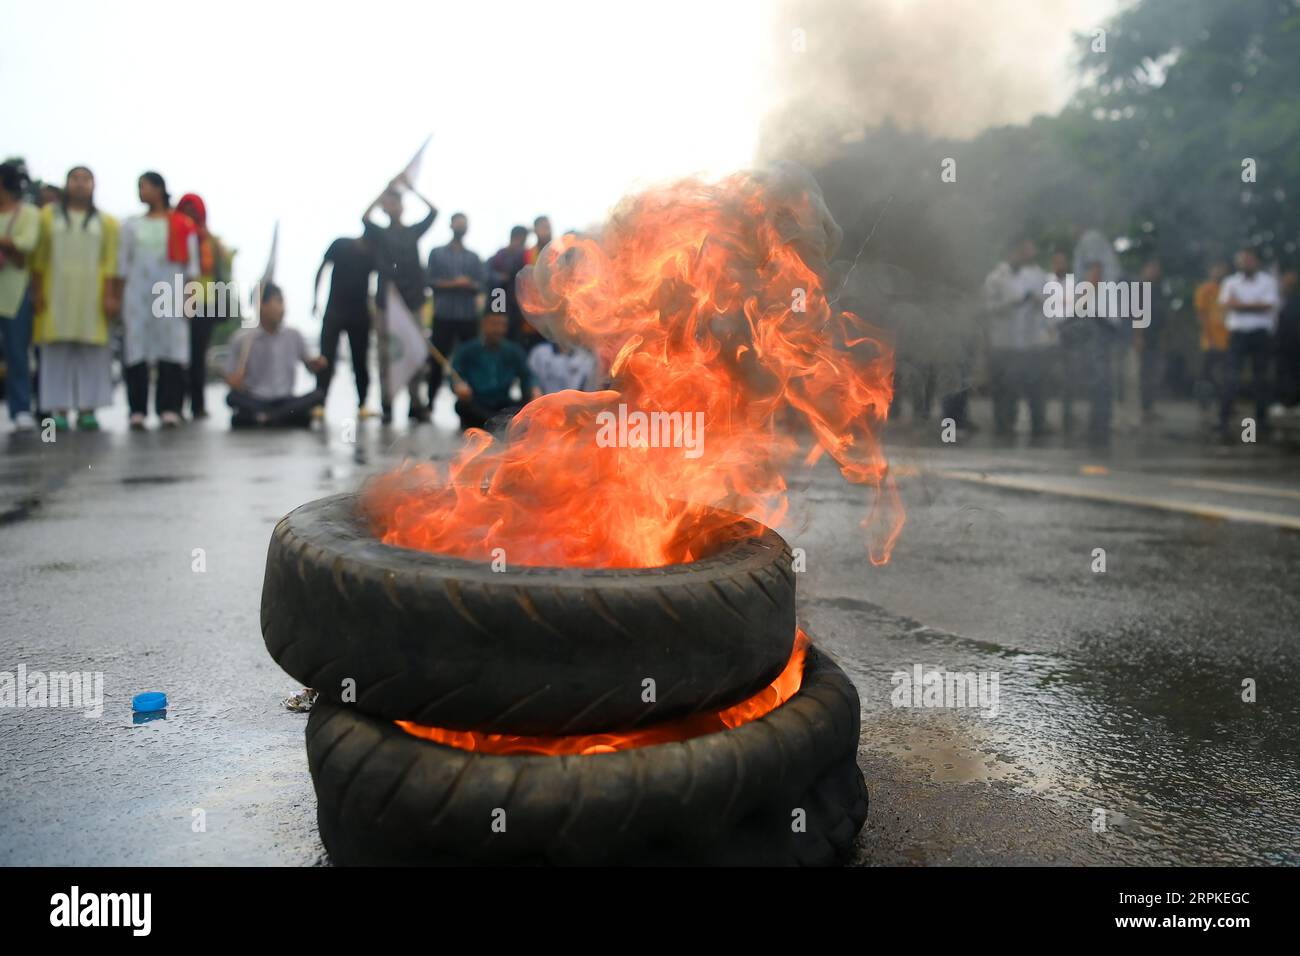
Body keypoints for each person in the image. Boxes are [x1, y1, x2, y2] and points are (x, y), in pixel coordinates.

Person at [29, 167, 120, 431]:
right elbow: (39, 257)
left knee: (92, 354)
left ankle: (88, 410)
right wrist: (36, 291)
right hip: (55, 292)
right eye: (75, 179)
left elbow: (111, 261)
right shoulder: (47, 217)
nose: (80, 185)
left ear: (94, 185)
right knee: (56, 353)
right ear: (66, 184)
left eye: (86, 180)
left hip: (93, 295)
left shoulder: (107, 222)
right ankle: (58, 410)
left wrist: (111, 295)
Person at [117, 172, 199, 429]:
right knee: (136, 350)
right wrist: (117, 297)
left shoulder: (182, 224)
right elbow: (122, 263)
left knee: (171, 350)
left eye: (144, 186)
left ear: (159, 189)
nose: (140, 191)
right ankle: (137, 409)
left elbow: (192, 268)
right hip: (137, 295)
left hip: (170, 294)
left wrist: (190, 299)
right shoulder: (130, 225)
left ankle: (169, 407)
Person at [363, 175, 436, 424]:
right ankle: (387, 403)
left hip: (413, 300)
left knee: (416, 351)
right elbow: (364, 217)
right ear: (385, 207)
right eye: (389, 203)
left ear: (403, 207)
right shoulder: (380, 234)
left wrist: (412, 188)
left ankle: (416, 403)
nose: (394, 207)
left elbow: (434, 212)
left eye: (397, 202)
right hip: (387, 301)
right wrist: (384, 190)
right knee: (387, 355)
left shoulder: (413, 231)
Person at [224, 284, 327, 428]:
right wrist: (235, 380)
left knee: (318, 395)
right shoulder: (242, 340)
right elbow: (231, 379)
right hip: (256, 399)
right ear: (262, 305)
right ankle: (281, 417)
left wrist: (316, 363)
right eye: (278, 301)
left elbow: (310, 366)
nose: (283, 308)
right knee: (232, 398)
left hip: (285, 399)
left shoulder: (293, 335)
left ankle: (265, 418)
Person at [982, 238, 1051, 437]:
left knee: (1034, 385)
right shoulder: (995, 278)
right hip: (1004, 342)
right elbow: (988, 308)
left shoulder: (1036, 276)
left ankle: (1039, 424)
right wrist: (1012, 303)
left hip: (1030, 343)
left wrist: (1039, 302)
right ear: (1010, 253)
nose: (1023, 257)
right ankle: (1003, 426)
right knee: (1005, 388)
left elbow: (1049, 305)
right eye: (1019, 252)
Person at [175, 193, 230, 420]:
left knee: (198, 355)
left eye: (193, 212)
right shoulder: (176, 235)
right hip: (176, 302)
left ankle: (197, 405)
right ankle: (175, 405)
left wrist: (214, 244)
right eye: (185, 211)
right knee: (177, 357)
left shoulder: (211, 241)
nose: (190, 217)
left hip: (205, 303)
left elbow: (224, 267)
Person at [1218, 247, 1279, 436]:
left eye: (1249, 260)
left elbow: (1268, 306)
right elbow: (1226, 305)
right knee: (1231, 377)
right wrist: (1254, 305)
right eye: (1243, 260)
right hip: (1238, 335)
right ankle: (1224, 422)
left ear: (1257, 262)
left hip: (1260, 335)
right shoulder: (1230, 282)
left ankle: (1261, 422)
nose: (1246, 263)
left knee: (1261, 379)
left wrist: (1240, 305)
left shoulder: (1268, 281)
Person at [313, 235, 375, 416]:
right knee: (326, 357)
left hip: (360, 313)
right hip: (335, 309)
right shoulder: (341, 244)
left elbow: (382, 279)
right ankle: (320, 402)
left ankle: (363, 403)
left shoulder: (373, 253)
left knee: (360, 359)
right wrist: (315, 299)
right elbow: (322, 268)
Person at [425, 212, 484, 404]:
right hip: (443, 316)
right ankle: (429, 403)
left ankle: (472, 403)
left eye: (463, 224)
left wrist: (468, 285)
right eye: (458, 224)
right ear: (451, 226)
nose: (460, 227)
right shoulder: (437, 253)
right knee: (436, 360)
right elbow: (430, 282)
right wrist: (455, 284)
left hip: (467, 317)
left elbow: (481, 285)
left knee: (471, 360)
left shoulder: (474, 257)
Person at [0, 161, 41, 432]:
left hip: (15, 291)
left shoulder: (28, 213)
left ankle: (21, 407)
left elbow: (27, 244)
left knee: (17, 353)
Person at [450, 310, 539, 431]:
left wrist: (534, 389)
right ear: (483, 324)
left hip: (502, 403)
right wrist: (458, 386)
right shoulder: (467, 350)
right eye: (494, 324)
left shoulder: (514, 351)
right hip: (477, 402)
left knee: (522, 409)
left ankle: (497, 425)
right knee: (462, 406)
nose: (498, 329)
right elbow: (456, 374)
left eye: (502, 325)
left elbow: (527, 376)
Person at [1193, 260, 1230, 411]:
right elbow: (1201, 314)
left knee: (1226, 374)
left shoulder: (1228, 289)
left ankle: (1225, 404)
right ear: (1210, 270)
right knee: (1207, 373)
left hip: (1228, 340)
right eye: (1216, 268)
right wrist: (1210, 336)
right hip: (1210, 341)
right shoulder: (1204, 289)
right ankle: (1204, 403)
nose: (1218, 272)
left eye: (1221, 268)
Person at [487, 225, 529, 345]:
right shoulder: (501, 255)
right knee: (499, 333)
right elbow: (490, 276)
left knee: (516, 338)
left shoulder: (523, 254)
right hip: (500, 299)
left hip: (516, 304)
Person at [1137, 258, 1166, 422]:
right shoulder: (1140, 288)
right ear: (1145, 269)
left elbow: (1161, 317)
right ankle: (1143, 409)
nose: (1155, 272)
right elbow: (1138, 314)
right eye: (1152, 268)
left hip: (1155, 337)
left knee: (1153, 374)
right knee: (1144, 375)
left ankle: (1149, 408)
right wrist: (1139, 337)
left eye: (1157, 269)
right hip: (1144, 338)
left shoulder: (1157, 289)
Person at [527, 339, 599, 395]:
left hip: (573, 407)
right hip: (544, 406)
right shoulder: (540, 352)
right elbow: (533, 380)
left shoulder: (586, 358)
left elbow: (588, 390)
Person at [1273, 271, 1300, 410]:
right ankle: (1281, 401)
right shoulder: (1274, 298)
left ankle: (1295, 402)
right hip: (1278, 342)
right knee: (1280, 372)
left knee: (1295, 371)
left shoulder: (1296, 300)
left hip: (1294, 342)